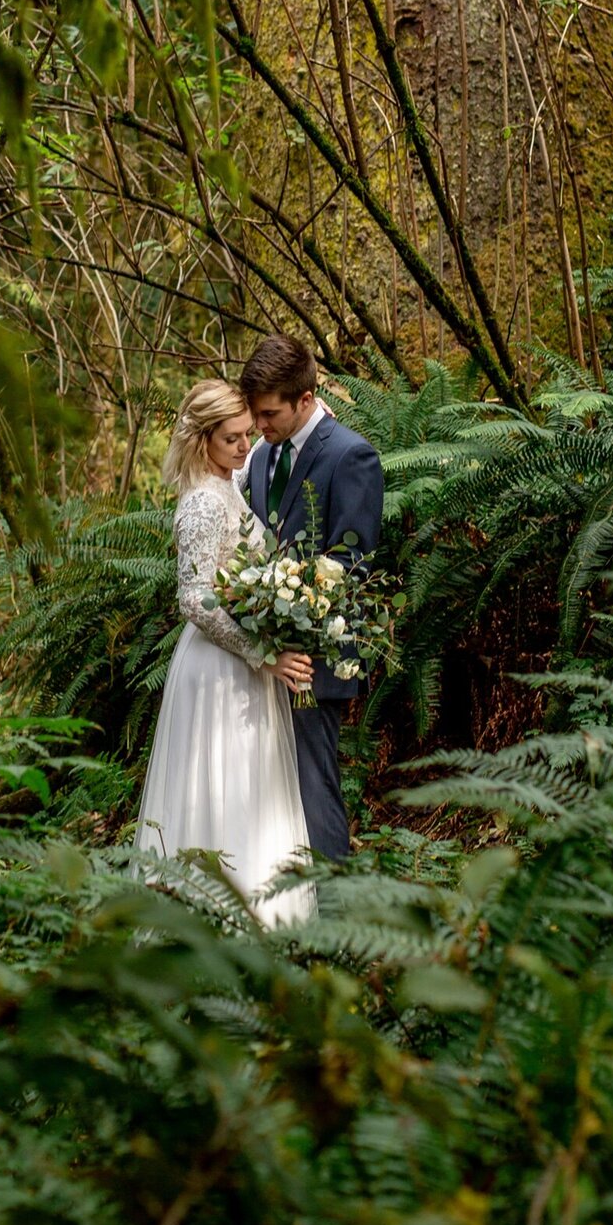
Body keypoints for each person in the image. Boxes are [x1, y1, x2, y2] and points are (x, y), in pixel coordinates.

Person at [133, 378, 316, 926]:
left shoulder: (228, 485)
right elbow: (195, 600)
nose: (246, 445)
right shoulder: (201, 507)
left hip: (244, 661)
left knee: (253, 786)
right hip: (219, 667)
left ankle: (262, 915)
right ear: (202, 439)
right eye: (233, 437)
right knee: (221, 782)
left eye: (246, 434)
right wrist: (262, 652)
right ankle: (211, 916)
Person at [239, 335, 384, 859]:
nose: (260, 425)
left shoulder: (351, 455)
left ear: (306, 399)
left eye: (270, 413)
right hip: (266, 655)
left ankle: (334, 908)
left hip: (317, 657)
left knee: (312, 782)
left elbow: (352, 564)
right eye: (255, 415)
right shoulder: (260, 458)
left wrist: (295, 605)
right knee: (269, 787)